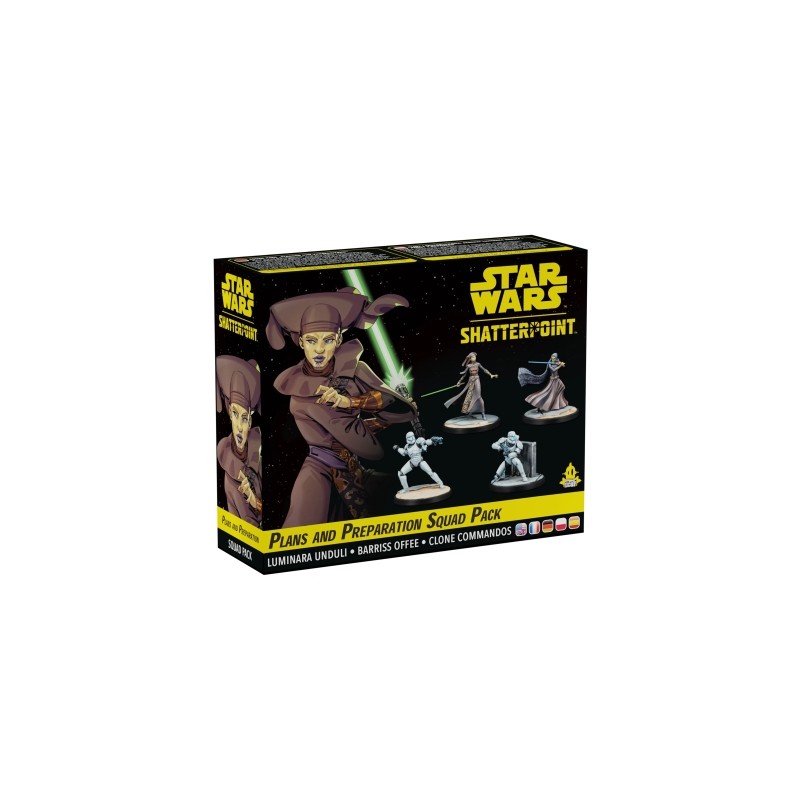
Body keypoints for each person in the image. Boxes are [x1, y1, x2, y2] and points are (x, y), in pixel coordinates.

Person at [266, 287, 417, 526]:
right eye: (312, 341)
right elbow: (351, 432)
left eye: (327, 340)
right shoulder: (300, 392)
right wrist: (367, 411)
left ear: (338, 340)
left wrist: (352, 402)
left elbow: (393, 408)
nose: (319, 350)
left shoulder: (356, 371)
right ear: (301, 342)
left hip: (355, 470)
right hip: (320, 472)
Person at [216, 355, 262, 525]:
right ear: (229, 412)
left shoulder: (259, 452)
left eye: (244, 418)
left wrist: (254, 501)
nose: (240, 427)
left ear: (250, 420)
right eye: (235, 414)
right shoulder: (227, 461)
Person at [444, 351, 498, 419]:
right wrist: (459, 382)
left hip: (477, 379)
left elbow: (484, 370)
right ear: (470, 358)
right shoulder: (468, 366)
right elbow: (464, 375)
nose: (474, 358)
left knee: (478, 396)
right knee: (470, 396)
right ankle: (471, 412)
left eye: (474, 356)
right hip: (470, 381)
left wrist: (490, 374)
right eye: (472, 357)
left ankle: (482, 413)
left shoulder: (478, 364)